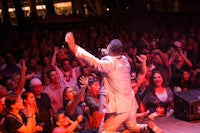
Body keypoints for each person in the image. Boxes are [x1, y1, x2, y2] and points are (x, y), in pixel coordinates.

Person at [65, 32, 148, 132]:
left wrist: (75, 48)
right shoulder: (125, 60)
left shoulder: (109, 64)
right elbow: (113, 53)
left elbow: (94, 62)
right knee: (133, 127)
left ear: (110, 49)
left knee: (104, 131)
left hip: (119, 108)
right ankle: (147, 128)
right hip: (130, 105)